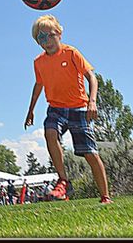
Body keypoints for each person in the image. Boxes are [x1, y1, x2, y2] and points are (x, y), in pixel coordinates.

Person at [24, 15, 113, 204]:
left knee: (89, 153)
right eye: (41, 38)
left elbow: (92, 77)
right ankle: (63, 180)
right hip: (56, 108)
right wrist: (30, 110)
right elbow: (38, 85)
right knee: (49, 132)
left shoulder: (71, 53)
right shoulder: (38, 62)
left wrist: (92, 101)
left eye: (50, 35)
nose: (47, 41)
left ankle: (105, 196)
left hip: (79, 108)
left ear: (60, 33)